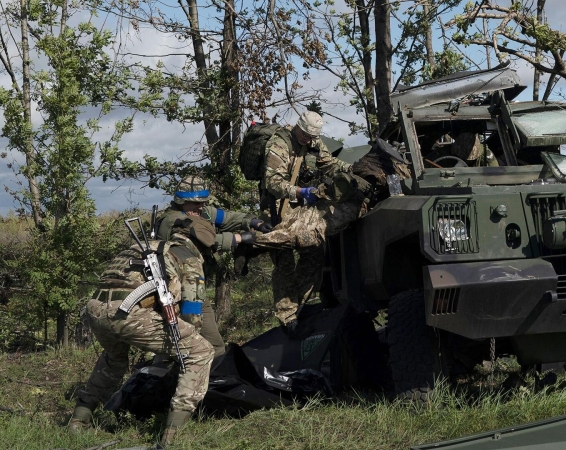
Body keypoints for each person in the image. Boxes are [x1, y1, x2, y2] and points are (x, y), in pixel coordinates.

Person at [68, 217, 216, 448]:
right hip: (129, 313)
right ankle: (173, 434)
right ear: (202, 242)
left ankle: (79, 419)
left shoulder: (147, 246)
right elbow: (193, 309)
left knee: (114, 360)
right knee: (201, 351)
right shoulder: (188, 255)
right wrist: (189, 337)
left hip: (96, 308)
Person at [256, 111, 358, 334]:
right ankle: (287, 316)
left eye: (313, 136)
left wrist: (351, 169)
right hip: (276, 207)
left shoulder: (314, 142)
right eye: (305, 135)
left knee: (313, 255)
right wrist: (300, 191)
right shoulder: (280, 144)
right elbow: (272, 182)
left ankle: (297, 308)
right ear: (298, 128)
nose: (308, 140)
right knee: (284, 262)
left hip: (301, 209)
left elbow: (328, 164)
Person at [155, 175, 271, 357]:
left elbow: (227, 218)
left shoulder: (202, 212)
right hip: (176, 292)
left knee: (215, 347)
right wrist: (238, 238)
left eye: (203, 202)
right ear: (182, 201)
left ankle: (211, 383)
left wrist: (253, 222)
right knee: (176, 349)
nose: (200, 207)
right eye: (195, 203)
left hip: (197, 289)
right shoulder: (173, 220)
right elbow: (205, 240)